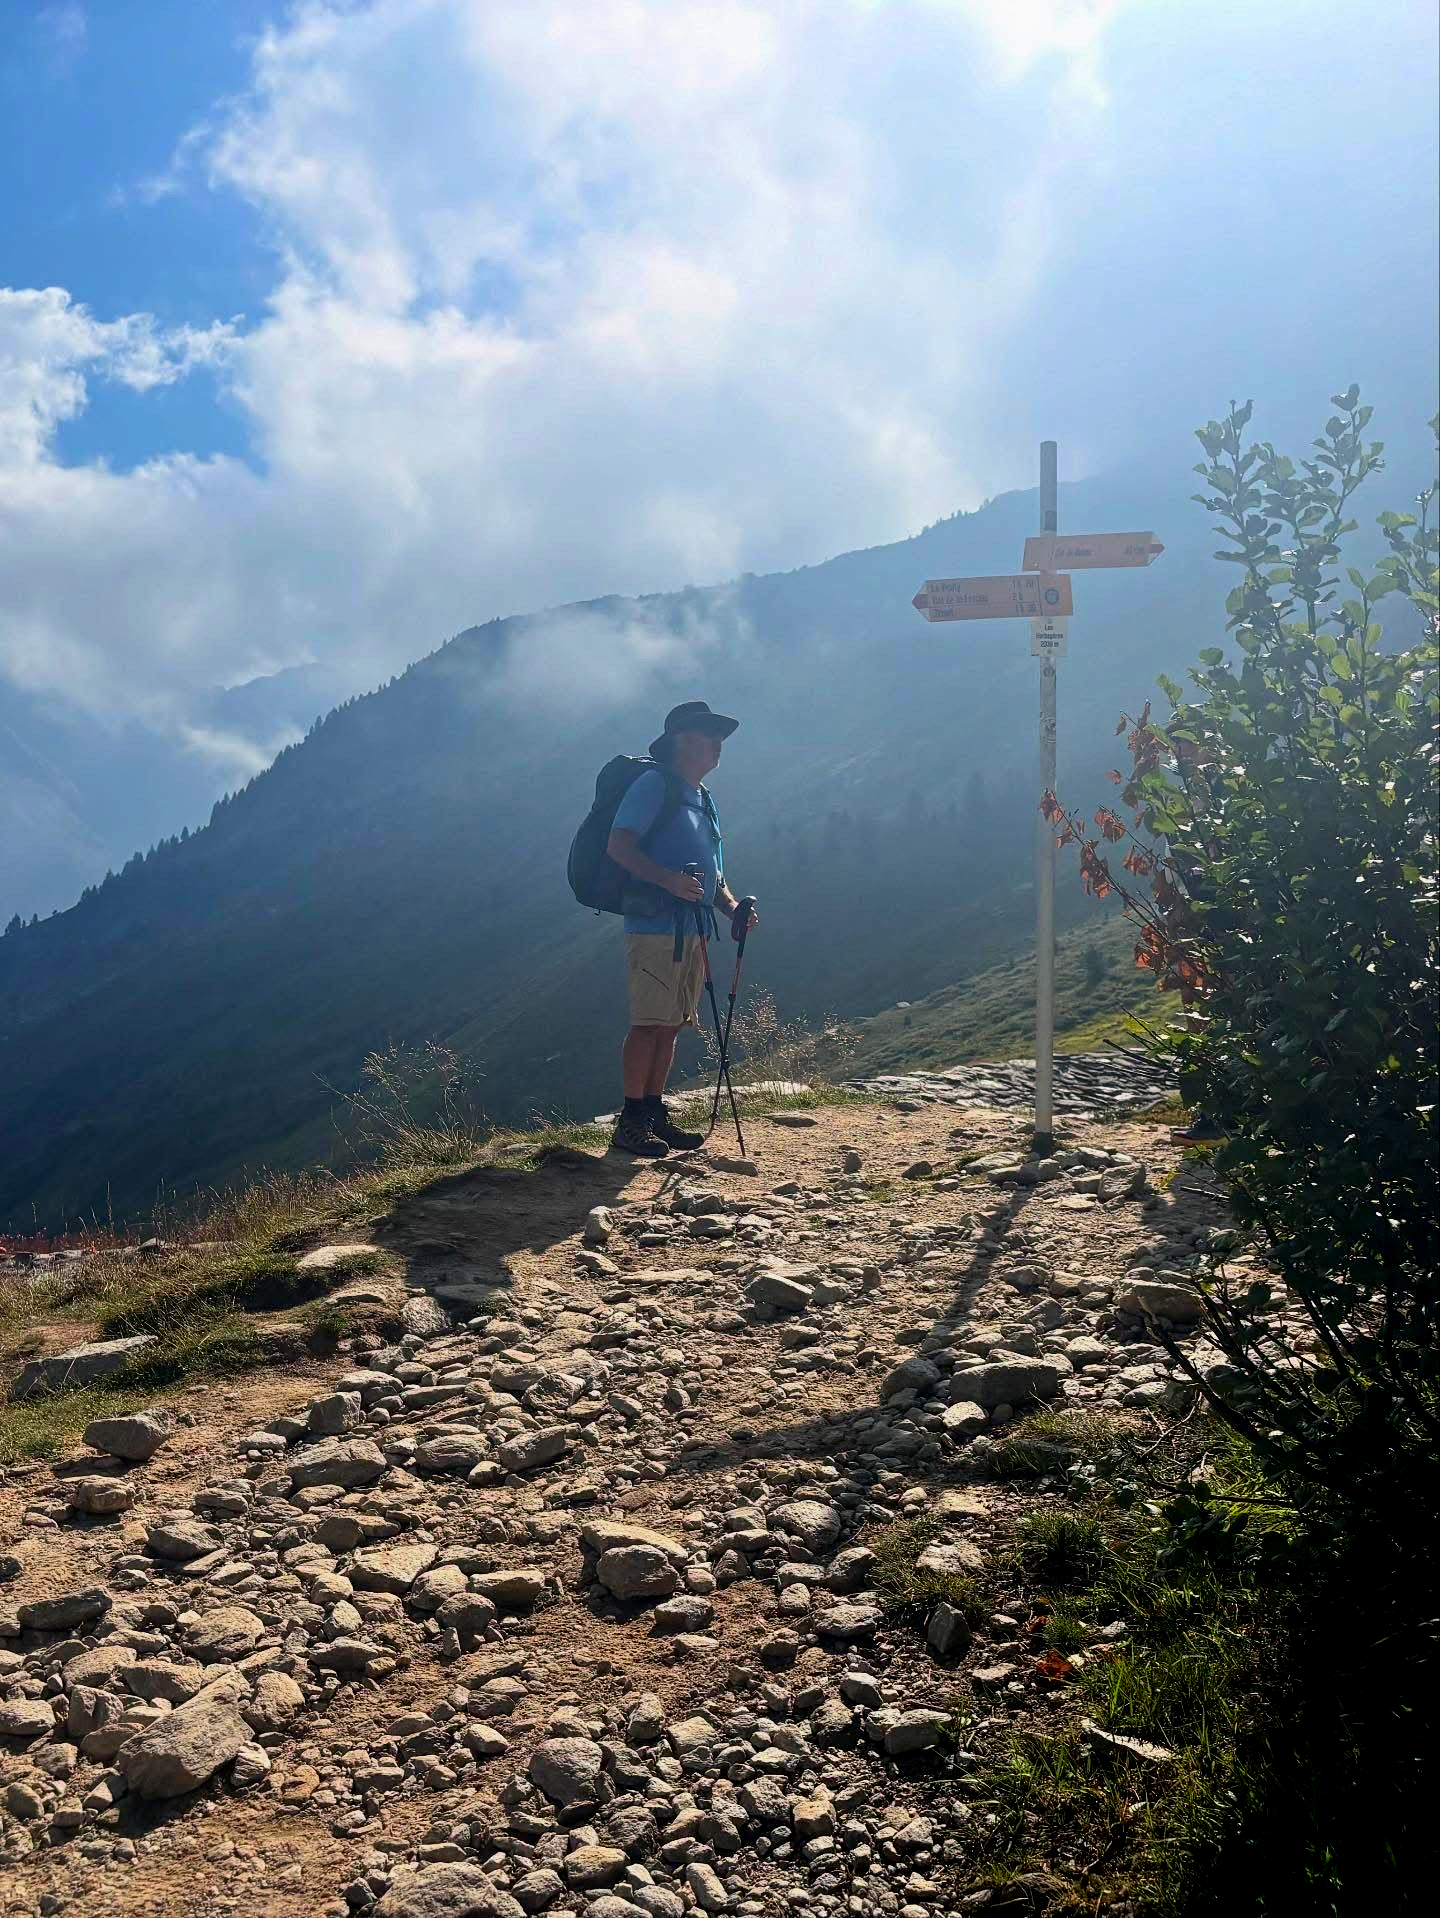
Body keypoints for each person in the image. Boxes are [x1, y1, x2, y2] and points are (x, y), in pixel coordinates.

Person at [605, 701, 759, 1157]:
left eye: (719, 739)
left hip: (692, 927)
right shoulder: (655, 785)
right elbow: (619, 846)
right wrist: (668, 880)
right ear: (682, 741)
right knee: (649, 1023)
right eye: (709, 736)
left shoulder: (701, 797)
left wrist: (732, 909)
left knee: (671, 1026)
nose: (717, 746)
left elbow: (713, 874)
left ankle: (653, 1113)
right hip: (654, 927)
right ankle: (631, 1120)